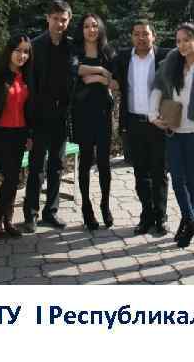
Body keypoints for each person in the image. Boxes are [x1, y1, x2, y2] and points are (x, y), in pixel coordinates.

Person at [149, 23, 194, 248]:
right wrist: (152, 114)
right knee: (177, 179)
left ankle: (186, 224)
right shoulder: (173, 61)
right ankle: (191, 222)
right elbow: (158, 86)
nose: (182, 45)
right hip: (174, 128)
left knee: (191, 177)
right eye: (178, 41)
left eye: (187, 40)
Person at [23, 0, 79, 233]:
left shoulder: (72, 47)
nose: (59, 23)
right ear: (48, 19)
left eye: (63, 19)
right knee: (36, 166)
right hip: (39, 115)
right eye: (55, 19)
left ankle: (51, 212)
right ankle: (31, 214)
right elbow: (28, 85)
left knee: (57, 165)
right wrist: (28, 124)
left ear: (69, 20)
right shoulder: (34, 46)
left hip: (61, 115)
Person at [113, 20, 171, 235]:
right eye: (136, 34)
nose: (141, 38)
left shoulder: (166, 56)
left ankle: (161, 216)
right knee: (140, 173)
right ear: (131, 37)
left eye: (145, 34)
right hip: (134, 124)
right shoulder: (122, 57)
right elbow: (107, 70)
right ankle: (146, 215)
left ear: (153, 36)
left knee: (160, 173)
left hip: (158, 125)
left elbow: (193, 56)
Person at [71, 13, 117, 230]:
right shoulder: (75, 51)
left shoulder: (108, 52)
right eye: (87, 26)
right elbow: (75, 69)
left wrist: (96, 78)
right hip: (82, 114)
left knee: (104, 163)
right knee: (85, 161)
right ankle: (86, 207)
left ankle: (105, 205)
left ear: (100, 29)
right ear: (81, 30)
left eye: (95, 26)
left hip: (103, 114)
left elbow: (115, 81)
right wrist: (100, 71)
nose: (91, 30)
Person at [0, 34, 34, 238]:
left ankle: (7, 220)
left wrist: (29, 134)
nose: (22, 55)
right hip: (0, 134)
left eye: (26, 52)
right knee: (11, 177)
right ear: (9, 51)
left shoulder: (27, 76)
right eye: (18, 50)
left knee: (15, 178)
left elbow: (29, 109)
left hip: (20, 134)